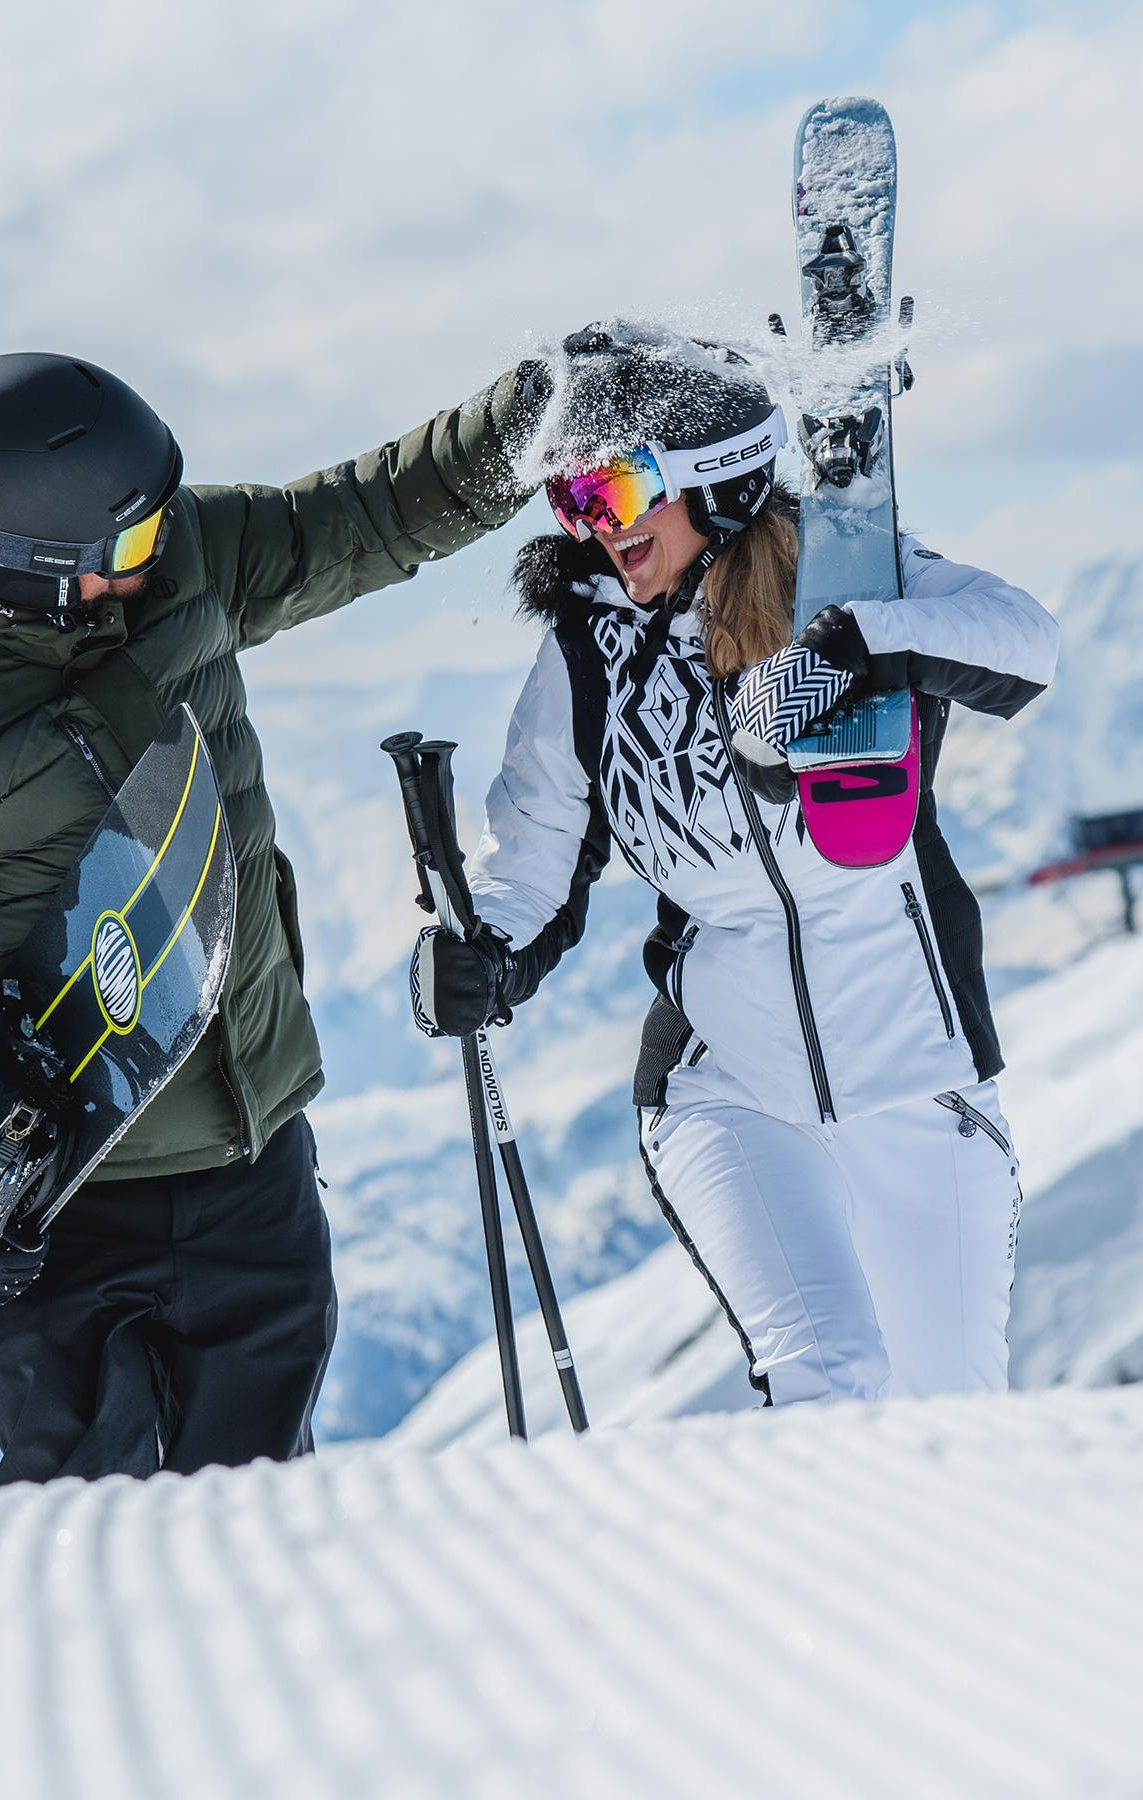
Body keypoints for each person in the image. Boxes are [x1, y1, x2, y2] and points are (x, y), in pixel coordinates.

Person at [0, 347, 549, 1483]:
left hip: (253, 1160)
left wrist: (540, 413)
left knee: (265, 1531)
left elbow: (373, 512)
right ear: (17, 564)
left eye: (159, 527)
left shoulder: (180, 564)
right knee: (84, 1547)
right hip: (61, 1203)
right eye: (128, 546)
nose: (158, 557)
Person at [412, 325, 1059, 1407]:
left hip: (918, 1074)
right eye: (572, 503)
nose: (594, 528)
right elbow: (533, 867)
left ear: (707, 478)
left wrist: (858, 645)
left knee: (956, 1418)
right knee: (828, 1378)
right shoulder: (589, 650)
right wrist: (482, 954)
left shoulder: (842, 567)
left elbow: (1025, 643)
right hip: (727, 1088)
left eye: (612, 493)